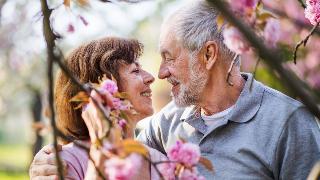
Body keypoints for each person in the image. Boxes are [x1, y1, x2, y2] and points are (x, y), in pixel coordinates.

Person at [30, 1, 320, 179]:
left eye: (169, 57)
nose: (160, 73)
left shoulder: (288, 122)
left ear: (208, 55)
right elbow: (117, 154)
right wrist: (47, 162)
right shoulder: (164, 126)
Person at [29, 37, 167, 179]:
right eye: (135, 70)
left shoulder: (159, 160)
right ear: (100, 88)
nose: (151, 77)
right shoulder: (63, 163)